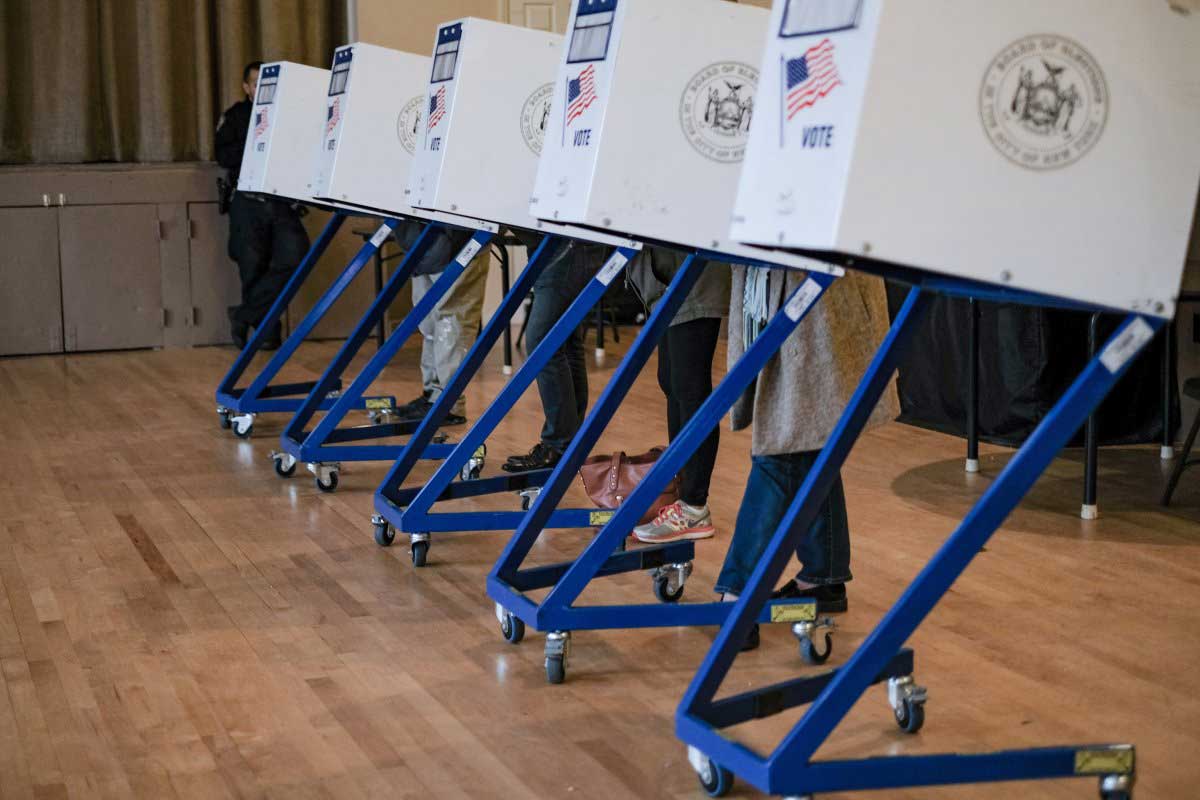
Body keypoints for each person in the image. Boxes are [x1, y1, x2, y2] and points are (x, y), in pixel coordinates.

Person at [715, 265, 895, 649]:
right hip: (783, 280)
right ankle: (823, 575)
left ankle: (739, 593)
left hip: (817, 289)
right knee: (807, 435)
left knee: (784, 442)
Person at [627, 247, 731, 543]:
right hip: (668, 277)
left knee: (690, 387)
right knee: (672, 381)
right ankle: (682, 492)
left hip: (694, 274)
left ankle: (694, 504)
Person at [215, 61, 310, 350]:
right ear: (246, 88)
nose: (261, 89)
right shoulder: (236, 116)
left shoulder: (288, 115)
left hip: (281, 200)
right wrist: (256, 143)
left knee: (296, 256)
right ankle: (267, 333)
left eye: (267, 84)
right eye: (256, 84)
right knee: (252, 267)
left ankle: (244, 315)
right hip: (248, 202)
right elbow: (223, 155)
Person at [503, 239, 609, 472]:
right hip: (569, 248)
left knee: (544, 344)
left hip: (566, 249)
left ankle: (558, 444)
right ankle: (569, 443)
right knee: (567, 344)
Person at [391, 222, 489, 427]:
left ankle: (448, 403)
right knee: (430, 324)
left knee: (451, 323)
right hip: (425, 245)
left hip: (459, 244)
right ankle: (433, 395)